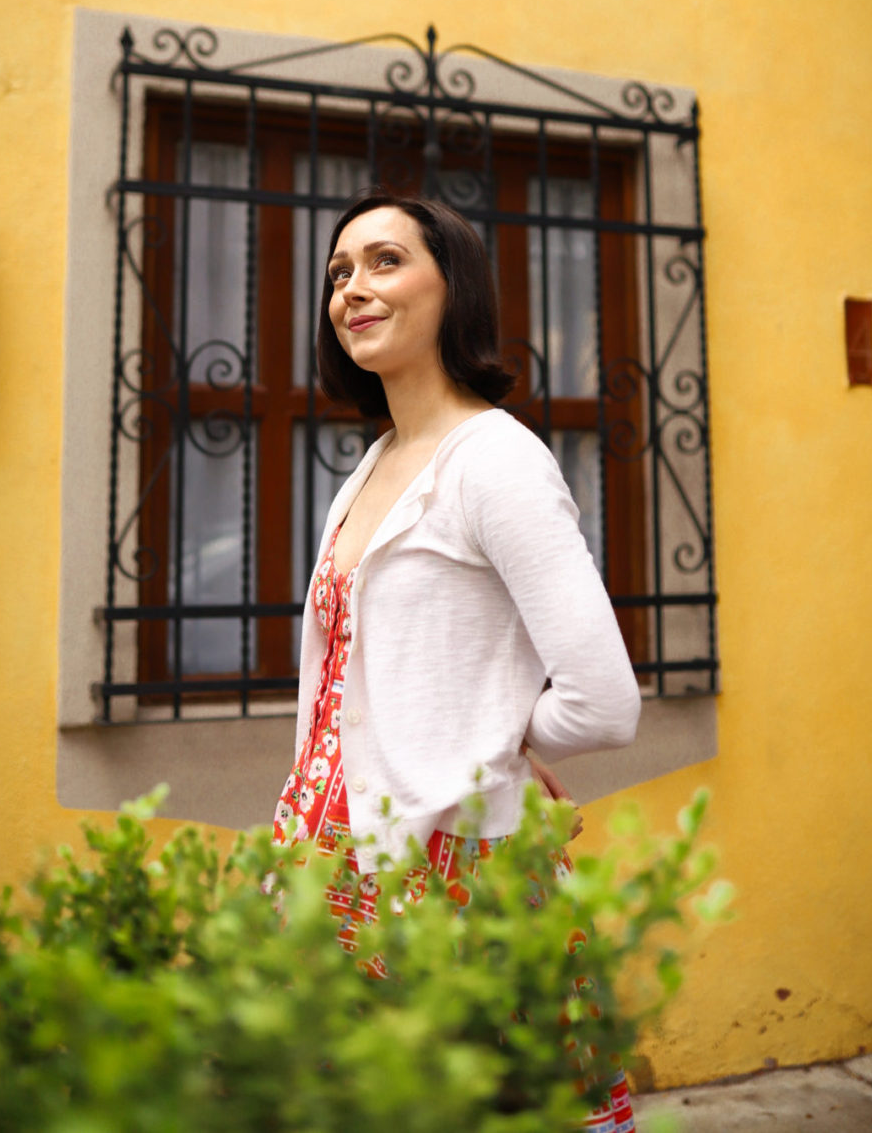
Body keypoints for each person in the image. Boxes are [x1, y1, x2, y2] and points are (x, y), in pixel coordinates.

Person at [274, 189, 642, 1129]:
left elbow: (604, 702)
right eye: (339, 273)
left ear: (454, 288)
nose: (353, 287)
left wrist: (493, 734)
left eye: (386, 261)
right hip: (329, 859)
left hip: (450, 868)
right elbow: (351, 687)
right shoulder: (371, 466)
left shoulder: (496, 462)